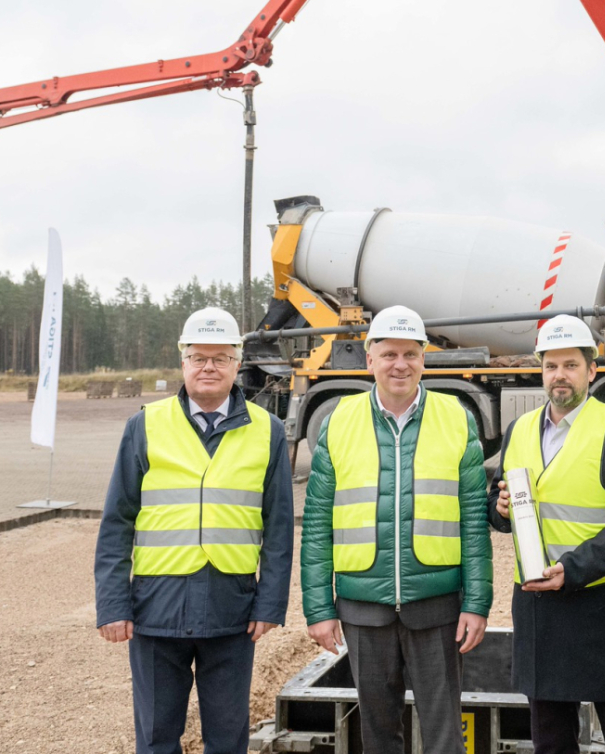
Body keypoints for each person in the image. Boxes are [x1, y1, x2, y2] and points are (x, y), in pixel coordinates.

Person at [94, 307, 294, 754]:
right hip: (155, 608)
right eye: (199, 357)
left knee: (226, 737)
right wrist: (112, 604)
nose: (208, 367)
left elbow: (278, 529)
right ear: (182, 361)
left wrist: (270, 603)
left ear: (237, 363)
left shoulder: (268, 431)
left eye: (220, 358)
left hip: (232, 608)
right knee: (156, 737)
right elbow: (117, 523)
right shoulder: (144, 425)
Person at [301, 306, 492, 754]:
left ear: (424, 358)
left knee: (445, 735)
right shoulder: (339, 422)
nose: (400, 364)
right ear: (370, 359)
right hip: (362, 607)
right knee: (380, 736)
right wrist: (318, 608)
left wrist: (478, 601)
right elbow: (316, 526)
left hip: (436, 605)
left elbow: (472, 520)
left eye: (410, 353)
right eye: (389, 354)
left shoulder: (455, 417)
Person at [487, 314, 605, 754]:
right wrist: (499, 509)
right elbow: (505, 500)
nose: (559, 375)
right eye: (550, 365)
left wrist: (572, 568)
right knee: (550, 740)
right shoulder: (520, 429)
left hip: (604, 608)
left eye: (570, 365)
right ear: (540, 370)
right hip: (539, 607)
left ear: (591, 371)